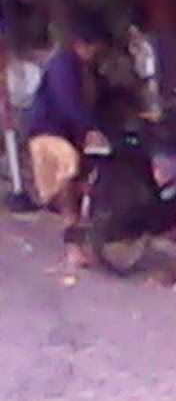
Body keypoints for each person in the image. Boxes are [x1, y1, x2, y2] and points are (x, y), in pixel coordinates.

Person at [26, 14, 111, 266]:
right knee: (68, 169)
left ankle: (86, 233)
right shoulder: (63, 65)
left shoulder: (87, 69)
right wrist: (92, 127)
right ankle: (72, 243)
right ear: (83, 44)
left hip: (72, 133)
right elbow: (69, 105)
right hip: (49, 133)